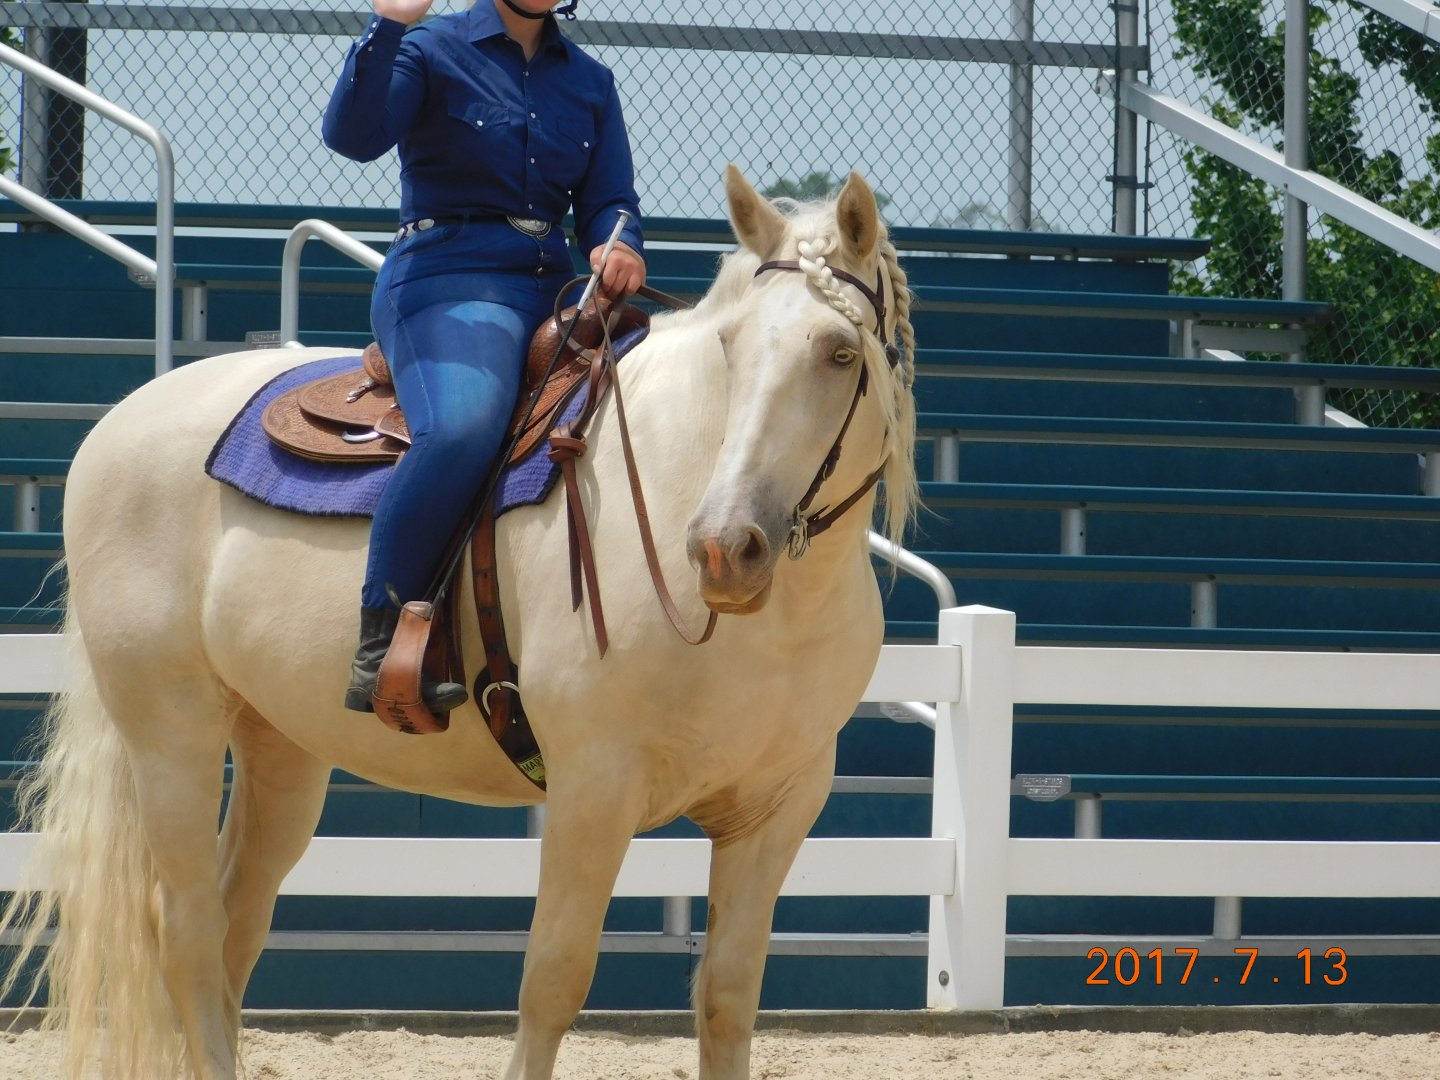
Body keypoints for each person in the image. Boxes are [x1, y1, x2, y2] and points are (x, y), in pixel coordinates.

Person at [322, 0, 646, 714]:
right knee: (465, 426)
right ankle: (383, 639)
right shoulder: (431, 45)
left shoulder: (590, 81)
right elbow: (353, 137)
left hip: (554, 285)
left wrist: (618, 242)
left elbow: (610, 198)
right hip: (445, 278)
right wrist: (388, 27)